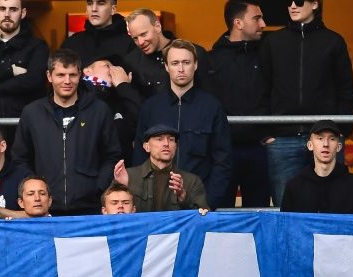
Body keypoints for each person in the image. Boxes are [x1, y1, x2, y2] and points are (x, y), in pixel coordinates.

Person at [260, 0, 353, 206]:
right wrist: (267, 133)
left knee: (333, 205)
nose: (293, 5)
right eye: (289, 2)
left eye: (300, 1)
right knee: (286, 208)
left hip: (325, 136)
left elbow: (346, 89)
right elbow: (262, 88)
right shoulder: (273, 42)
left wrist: (341, 130)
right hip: (282, 139)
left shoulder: (334, 41)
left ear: (314, 4)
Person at [13, 50, 120, 215]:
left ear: (80, 75)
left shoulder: (99, 110)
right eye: (61, 75)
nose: (67, 81)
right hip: (45, 211)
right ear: (49, 76)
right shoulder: (32, 113)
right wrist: (37, 190)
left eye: (72, 75)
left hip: (89, 208)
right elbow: (19, 158)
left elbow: (112, 155)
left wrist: (97, 186)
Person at [133, 40, 232, 208]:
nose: (181, 69)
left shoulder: (212, 107)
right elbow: (139, 158)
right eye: (175, 63)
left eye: (186, 62)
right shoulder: (150, 108)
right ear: (166, 67)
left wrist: (208, 202)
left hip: (198, 201)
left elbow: (223, 160)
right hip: (156, 202)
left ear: (195, 65)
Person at [205, 1, 271, 208]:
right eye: (257, 18)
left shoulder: (267, 55)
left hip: (260, 147)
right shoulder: (211, 60)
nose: (263, 24)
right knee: (221, 212)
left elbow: (278, 94)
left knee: (259, 212)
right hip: (223, 150)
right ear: (238, 23)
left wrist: (270, 133)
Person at [281, 120, 353, 215]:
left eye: (332, 139)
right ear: (310, 145)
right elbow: (285, 222)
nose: (326, 144)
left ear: (339, 147)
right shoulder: (294, 187)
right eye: (320, 138)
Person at [114, 124, 209, 212]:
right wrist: (122, 186)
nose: (166, 144)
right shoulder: (128, 176)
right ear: (147, 147)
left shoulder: (192, 181)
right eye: (159, 139)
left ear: (176, 147)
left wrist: (183, 198)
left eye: (171, 140)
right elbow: (110, 212)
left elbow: (204, 218)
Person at [123, 9, 208, 98]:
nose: (140, 42)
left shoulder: (194, 53)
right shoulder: (131, 61)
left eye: (144, 34)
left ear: (158, 26)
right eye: (135, 38)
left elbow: (208, 96)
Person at [82, 52, 142, 155]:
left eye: (115, 67)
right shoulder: (80, 93)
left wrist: (124, 87)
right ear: (87, 71)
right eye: (107, 65)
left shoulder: (118, 98)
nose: (113, 70)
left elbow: (141, 121)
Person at [61, 0, 135, 69]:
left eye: (101, 3)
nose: (94, 9)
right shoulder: (71, 42)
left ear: (113, 9)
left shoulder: (129, 43)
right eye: (90, 3)